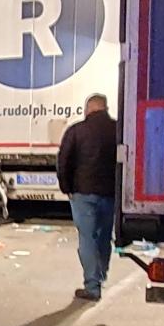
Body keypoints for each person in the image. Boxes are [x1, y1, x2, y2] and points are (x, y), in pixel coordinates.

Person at [57, 93, 120, 301]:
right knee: (103, 237)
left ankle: (92, 286)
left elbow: (64, 160)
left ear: (89, 109)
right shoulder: (118, 130)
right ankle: (101, 275)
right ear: (105, 108)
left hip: (83, 193)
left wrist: (66, 187)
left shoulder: (76, 131)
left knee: (87, 238)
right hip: (110, 193)